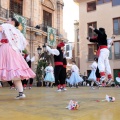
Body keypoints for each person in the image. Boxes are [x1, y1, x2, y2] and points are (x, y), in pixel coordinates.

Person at [0, 18, 36, 99]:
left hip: (5, 49)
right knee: (16, 73)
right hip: (14, 52)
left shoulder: (6, 25)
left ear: (12, 22)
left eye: (8, 19)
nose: (6, 20)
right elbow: (25, 43)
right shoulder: (18, 32)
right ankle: (21, 93)